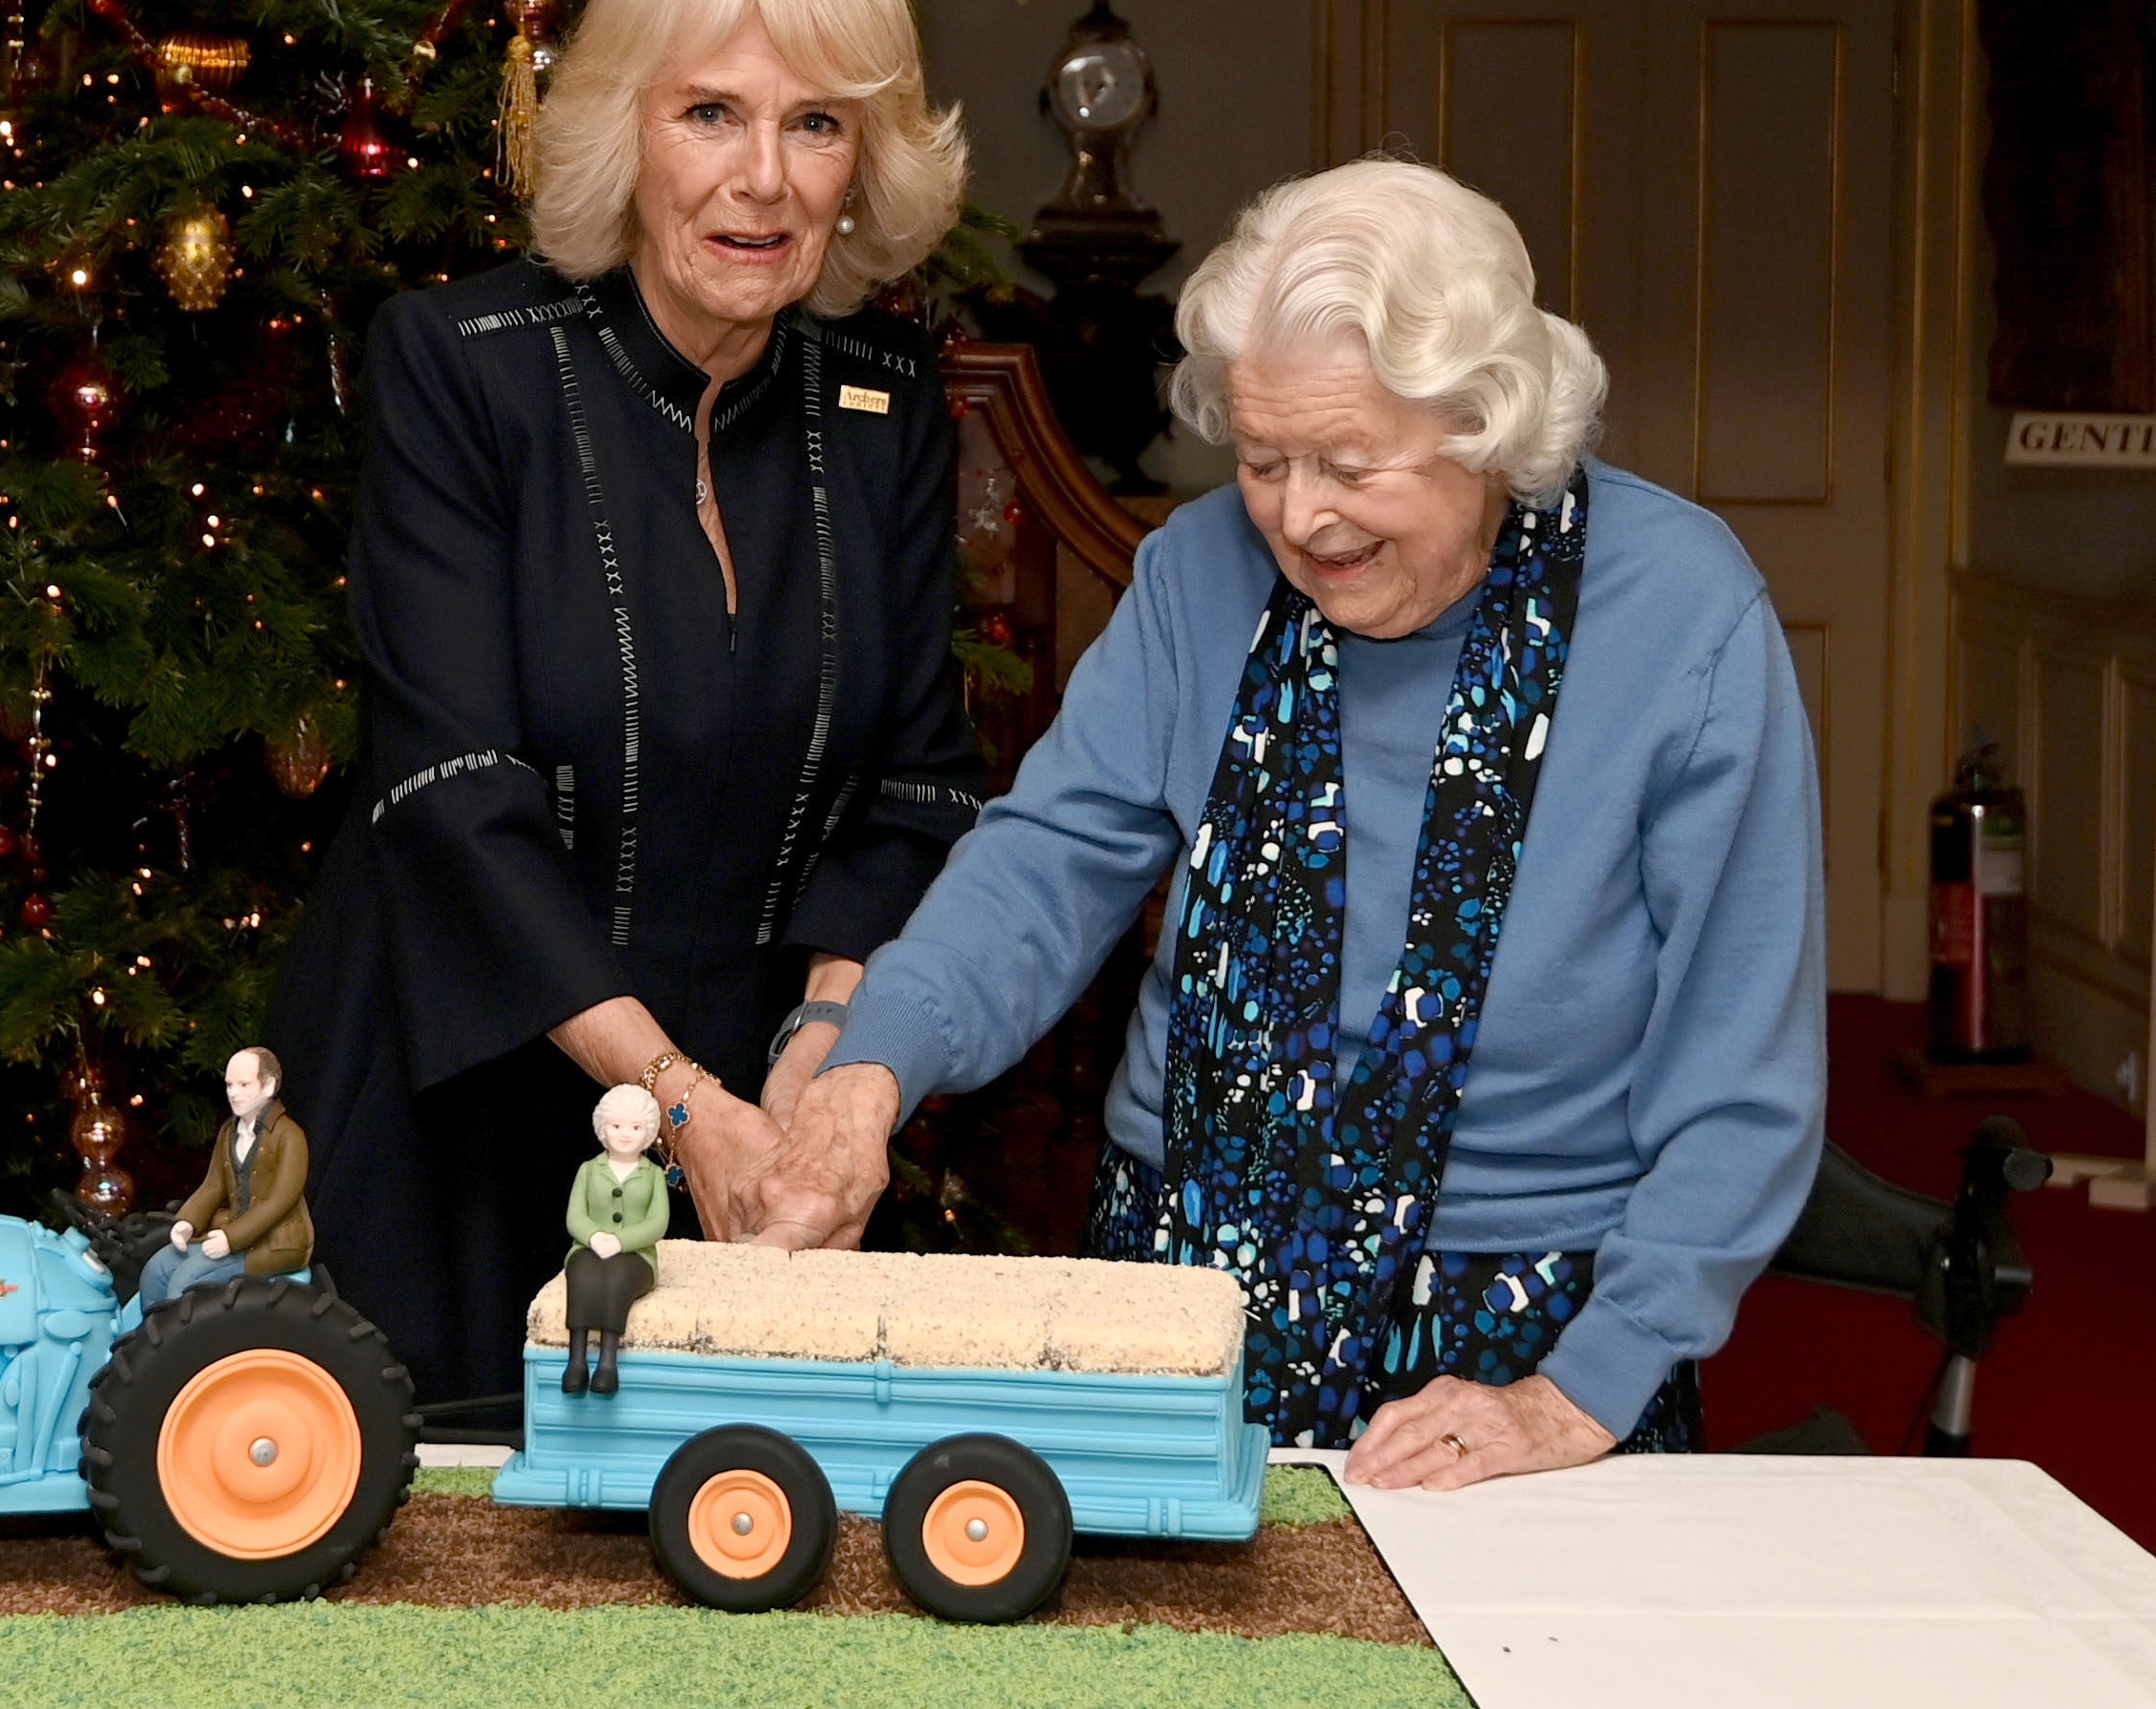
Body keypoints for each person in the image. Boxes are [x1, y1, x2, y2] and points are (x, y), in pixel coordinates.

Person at [740, 159, 1829, 1489]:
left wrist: (1579, 1392)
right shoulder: (1197, 572)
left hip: (1510, 1334)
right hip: (1179, 1282)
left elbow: (1739, 1064)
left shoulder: (1679, 616)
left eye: (1347, 463)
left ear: (1486, 425)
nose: (1298, 515)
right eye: (1261, 458)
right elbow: (1041, 869)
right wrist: (868, 1071)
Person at [264, 0, 985, 1410]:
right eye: (709, 112)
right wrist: (676, 1107)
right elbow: (453, 799)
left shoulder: (887, 409)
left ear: (864, 162)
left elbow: (914, 788)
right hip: (456, 1110)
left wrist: (812, 1074)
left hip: (755, 1138)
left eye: (814, 124)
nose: (765, 178)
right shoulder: (464, 370)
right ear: (622, 130)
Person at [139, 1046, 313, 1312]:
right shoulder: (229, 1132)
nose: (234, 1092)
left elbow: (280, 1201)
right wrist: (188, 1220)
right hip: (230, 1233)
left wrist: (231, 1239)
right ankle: (151, 1344)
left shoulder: (290, 1137)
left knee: (185, 1282)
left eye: (244, 1084)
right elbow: (214, 1185)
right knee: (156, 1271)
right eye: (230, 1084)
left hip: (276, 1242)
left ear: (268, 1086)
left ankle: (180, 1350)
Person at [561, 1083, 669, 1396]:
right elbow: (575, 1216)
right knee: (582, 1275)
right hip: (588, 1248)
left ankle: (608, 1363)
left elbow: (657, 1223)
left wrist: (622, 1242)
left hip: (636, 1256)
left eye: (635, 1127)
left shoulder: (652, 1176)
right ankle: (577, 1359)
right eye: (616, 1125)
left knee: (617, 1278)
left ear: (648, 1133)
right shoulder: (588, 1170)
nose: (624, 1134)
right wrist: (593, 1236)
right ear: (602, 1128)